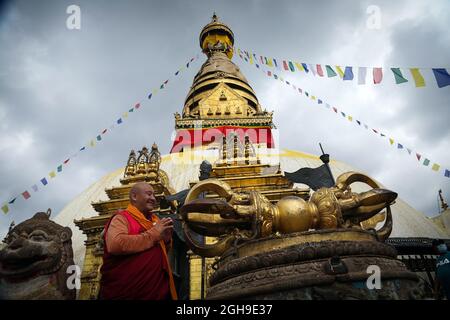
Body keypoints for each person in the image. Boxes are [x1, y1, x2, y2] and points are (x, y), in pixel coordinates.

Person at [99, 182, 177, 300]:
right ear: (134, 196)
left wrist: (165, 241)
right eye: (149, 194)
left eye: (154, 195)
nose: (153, 198)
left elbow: (155, 255)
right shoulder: (122, 218)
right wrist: (154, 234)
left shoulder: (155, 221)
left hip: (156, 291)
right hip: (126, 292)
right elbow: (116, 244)